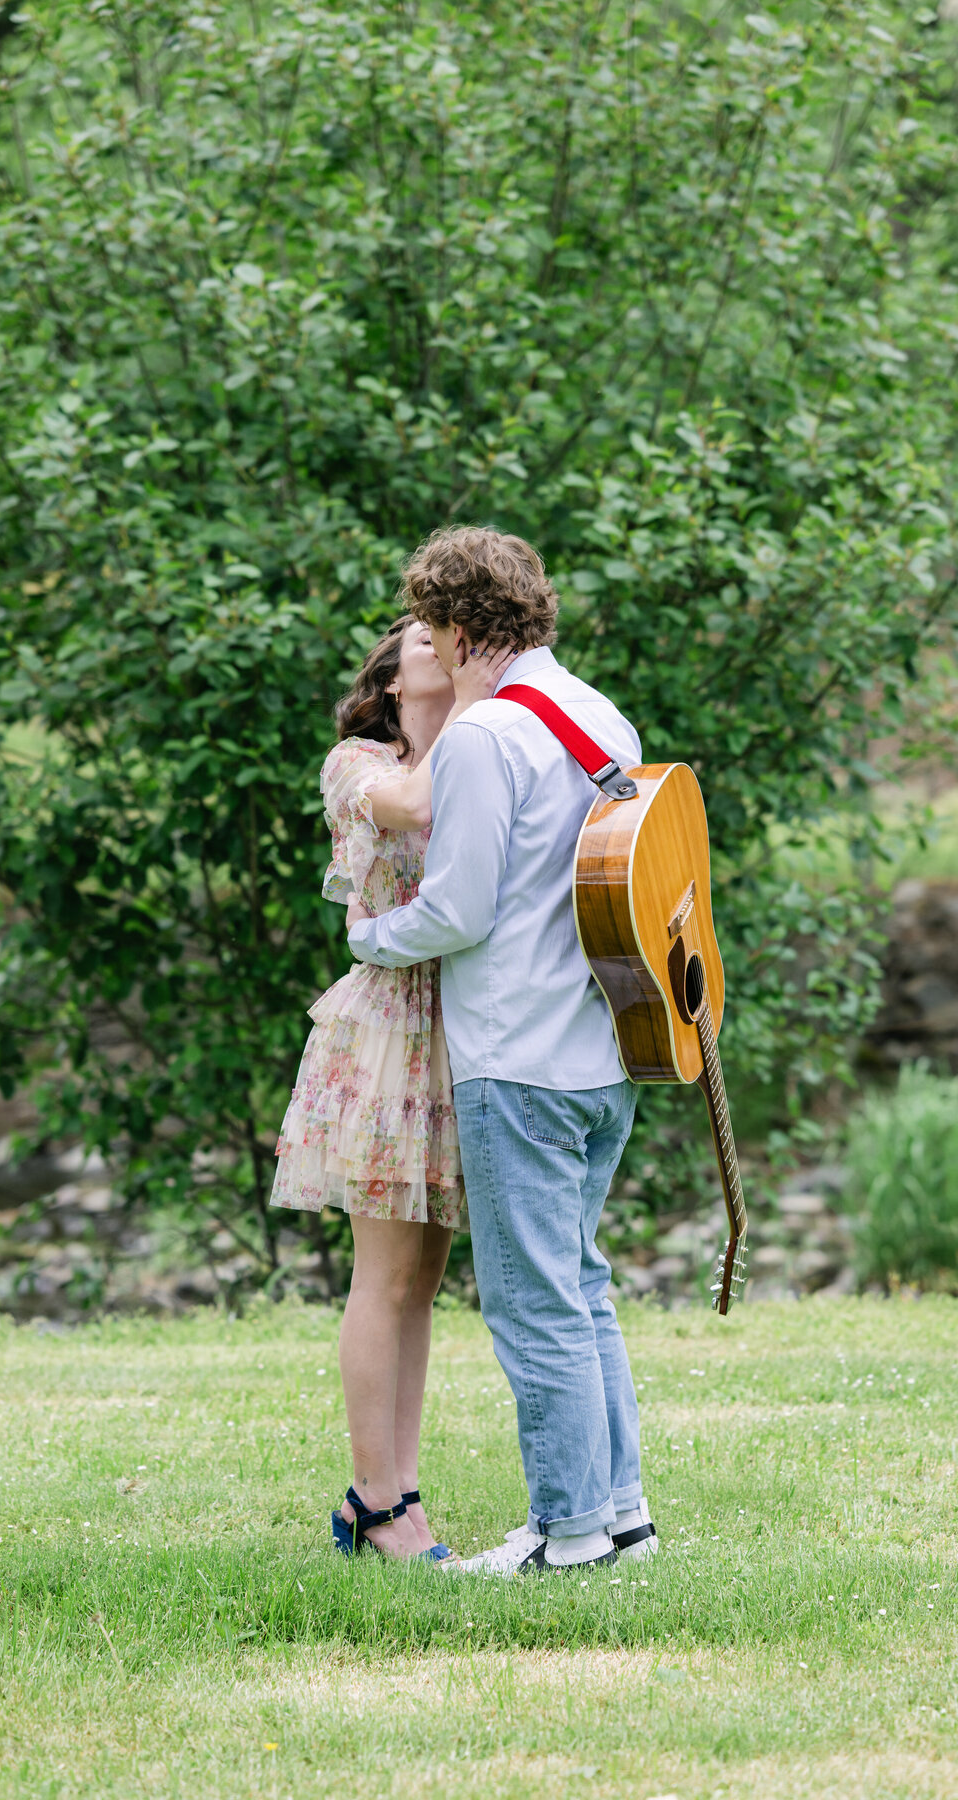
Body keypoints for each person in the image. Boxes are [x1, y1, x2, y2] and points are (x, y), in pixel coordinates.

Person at [345, 526, 657, 1575]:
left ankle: (569, 1534)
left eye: (431, 625)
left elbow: (460, 909)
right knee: (582, 1286)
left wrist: (372, 938)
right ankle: (624, 1519)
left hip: (515, 1057)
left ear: (465, 630)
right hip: (604, 1047)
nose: (424, 641)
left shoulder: (484, 738)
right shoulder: (597, 716)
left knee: (534, 1307)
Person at [270, 615, 510, 1561]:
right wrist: (477, 710)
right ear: (393, 680)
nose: (448, 647)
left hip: (461, 1028)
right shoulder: (357, 761)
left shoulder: (484, 748)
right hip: (382, 1036)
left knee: (423, 1281)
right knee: (383, 1275)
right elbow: (412, 807)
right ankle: (377, 1503)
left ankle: (401, 1496)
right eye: (427, 644)